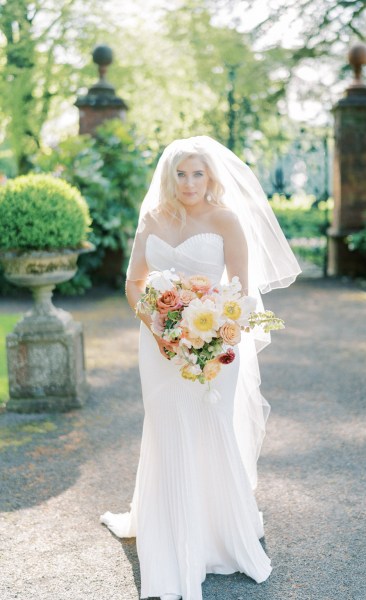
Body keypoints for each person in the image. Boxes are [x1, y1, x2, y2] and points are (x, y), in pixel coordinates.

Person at [100, 136, 301, 600]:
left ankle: (217, 532)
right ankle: (169, 530)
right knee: (167, 428)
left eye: (198, 173)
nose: (189, 183)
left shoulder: (226, 220)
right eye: (181, 173)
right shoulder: (151, 220)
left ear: (210, 177)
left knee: (210, 427)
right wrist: (158, 328)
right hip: (159, 345)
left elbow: (242, 291)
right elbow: (134, 283)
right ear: (169, 177)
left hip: (214, 346)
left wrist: (214, 334)